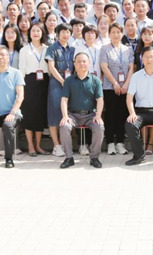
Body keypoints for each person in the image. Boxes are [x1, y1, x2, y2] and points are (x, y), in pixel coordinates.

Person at [58, 52, 105, 169]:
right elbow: (64, 100)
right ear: (74, 64)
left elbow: (100, 100)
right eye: (78, 61)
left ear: (89, 63)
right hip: (73, 115)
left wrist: (98, 115)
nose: (81, 64)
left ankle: (94, 157)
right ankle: (69, 158)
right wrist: (65, 116)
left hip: (91, 115)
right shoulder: (69, 80)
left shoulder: (95, 80)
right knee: (64, 126)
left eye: (84, 61)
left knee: (99, 127)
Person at [99, 23, 134, 155]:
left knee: (122, 114)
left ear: (122, 34)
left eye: (118, 32)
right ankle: (110, 143)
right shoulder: (104, 49)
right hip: (110, 87)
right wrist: (114, 83)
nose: (116, 34)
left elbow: (131, 68)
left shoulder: (128, 49)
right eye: (113, 32)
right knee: (110, 115)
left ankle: (120, 142)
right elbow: (104, 67)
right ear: (109, 34)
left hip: (125, 87)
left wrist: (126, 84)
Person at [18, 23, 50, 156]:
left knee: (40, 115)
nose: (35, 33)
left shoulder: (47, 48)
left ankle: (38, 145)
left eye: (38, 31)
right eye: (33, 31)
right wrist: (21, 87)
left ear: (42, 33)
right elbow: (21, 70)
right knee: (29, 115)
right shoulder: (24, 50)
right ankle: (30, 146)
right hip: (30, 83)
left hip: (44, 82)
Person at [45, 23, 75, 157]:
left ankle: (65, 144)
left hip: (70, 82)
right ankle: (56, 145)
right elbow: (51, 67)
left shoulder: (72, 49)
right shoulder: (52, 48)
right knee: (54, 112)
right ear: (57, 34)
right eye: (63, 32)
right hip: (56, 83)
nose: (65, 34)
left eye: (68, 32)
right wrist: (62, 81)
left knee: (68, 112)